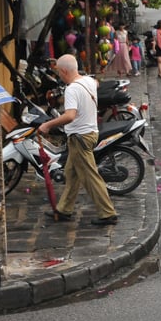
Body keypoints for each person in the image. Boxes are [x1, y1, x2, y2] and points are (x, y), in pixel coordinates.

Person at [37, 54, 118, 226]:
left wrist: (48, 125)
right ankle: (64, 210)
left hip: (80, 137)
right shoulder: (88, 81)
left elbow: (70, 116)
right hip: (89, 133)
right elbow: (96, 83)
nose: (58, 75)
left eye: (59, 72)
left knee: (90, 176)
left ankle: (108, 213)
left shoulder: (72, 89)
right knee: (71, 174)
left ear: (65, 71)